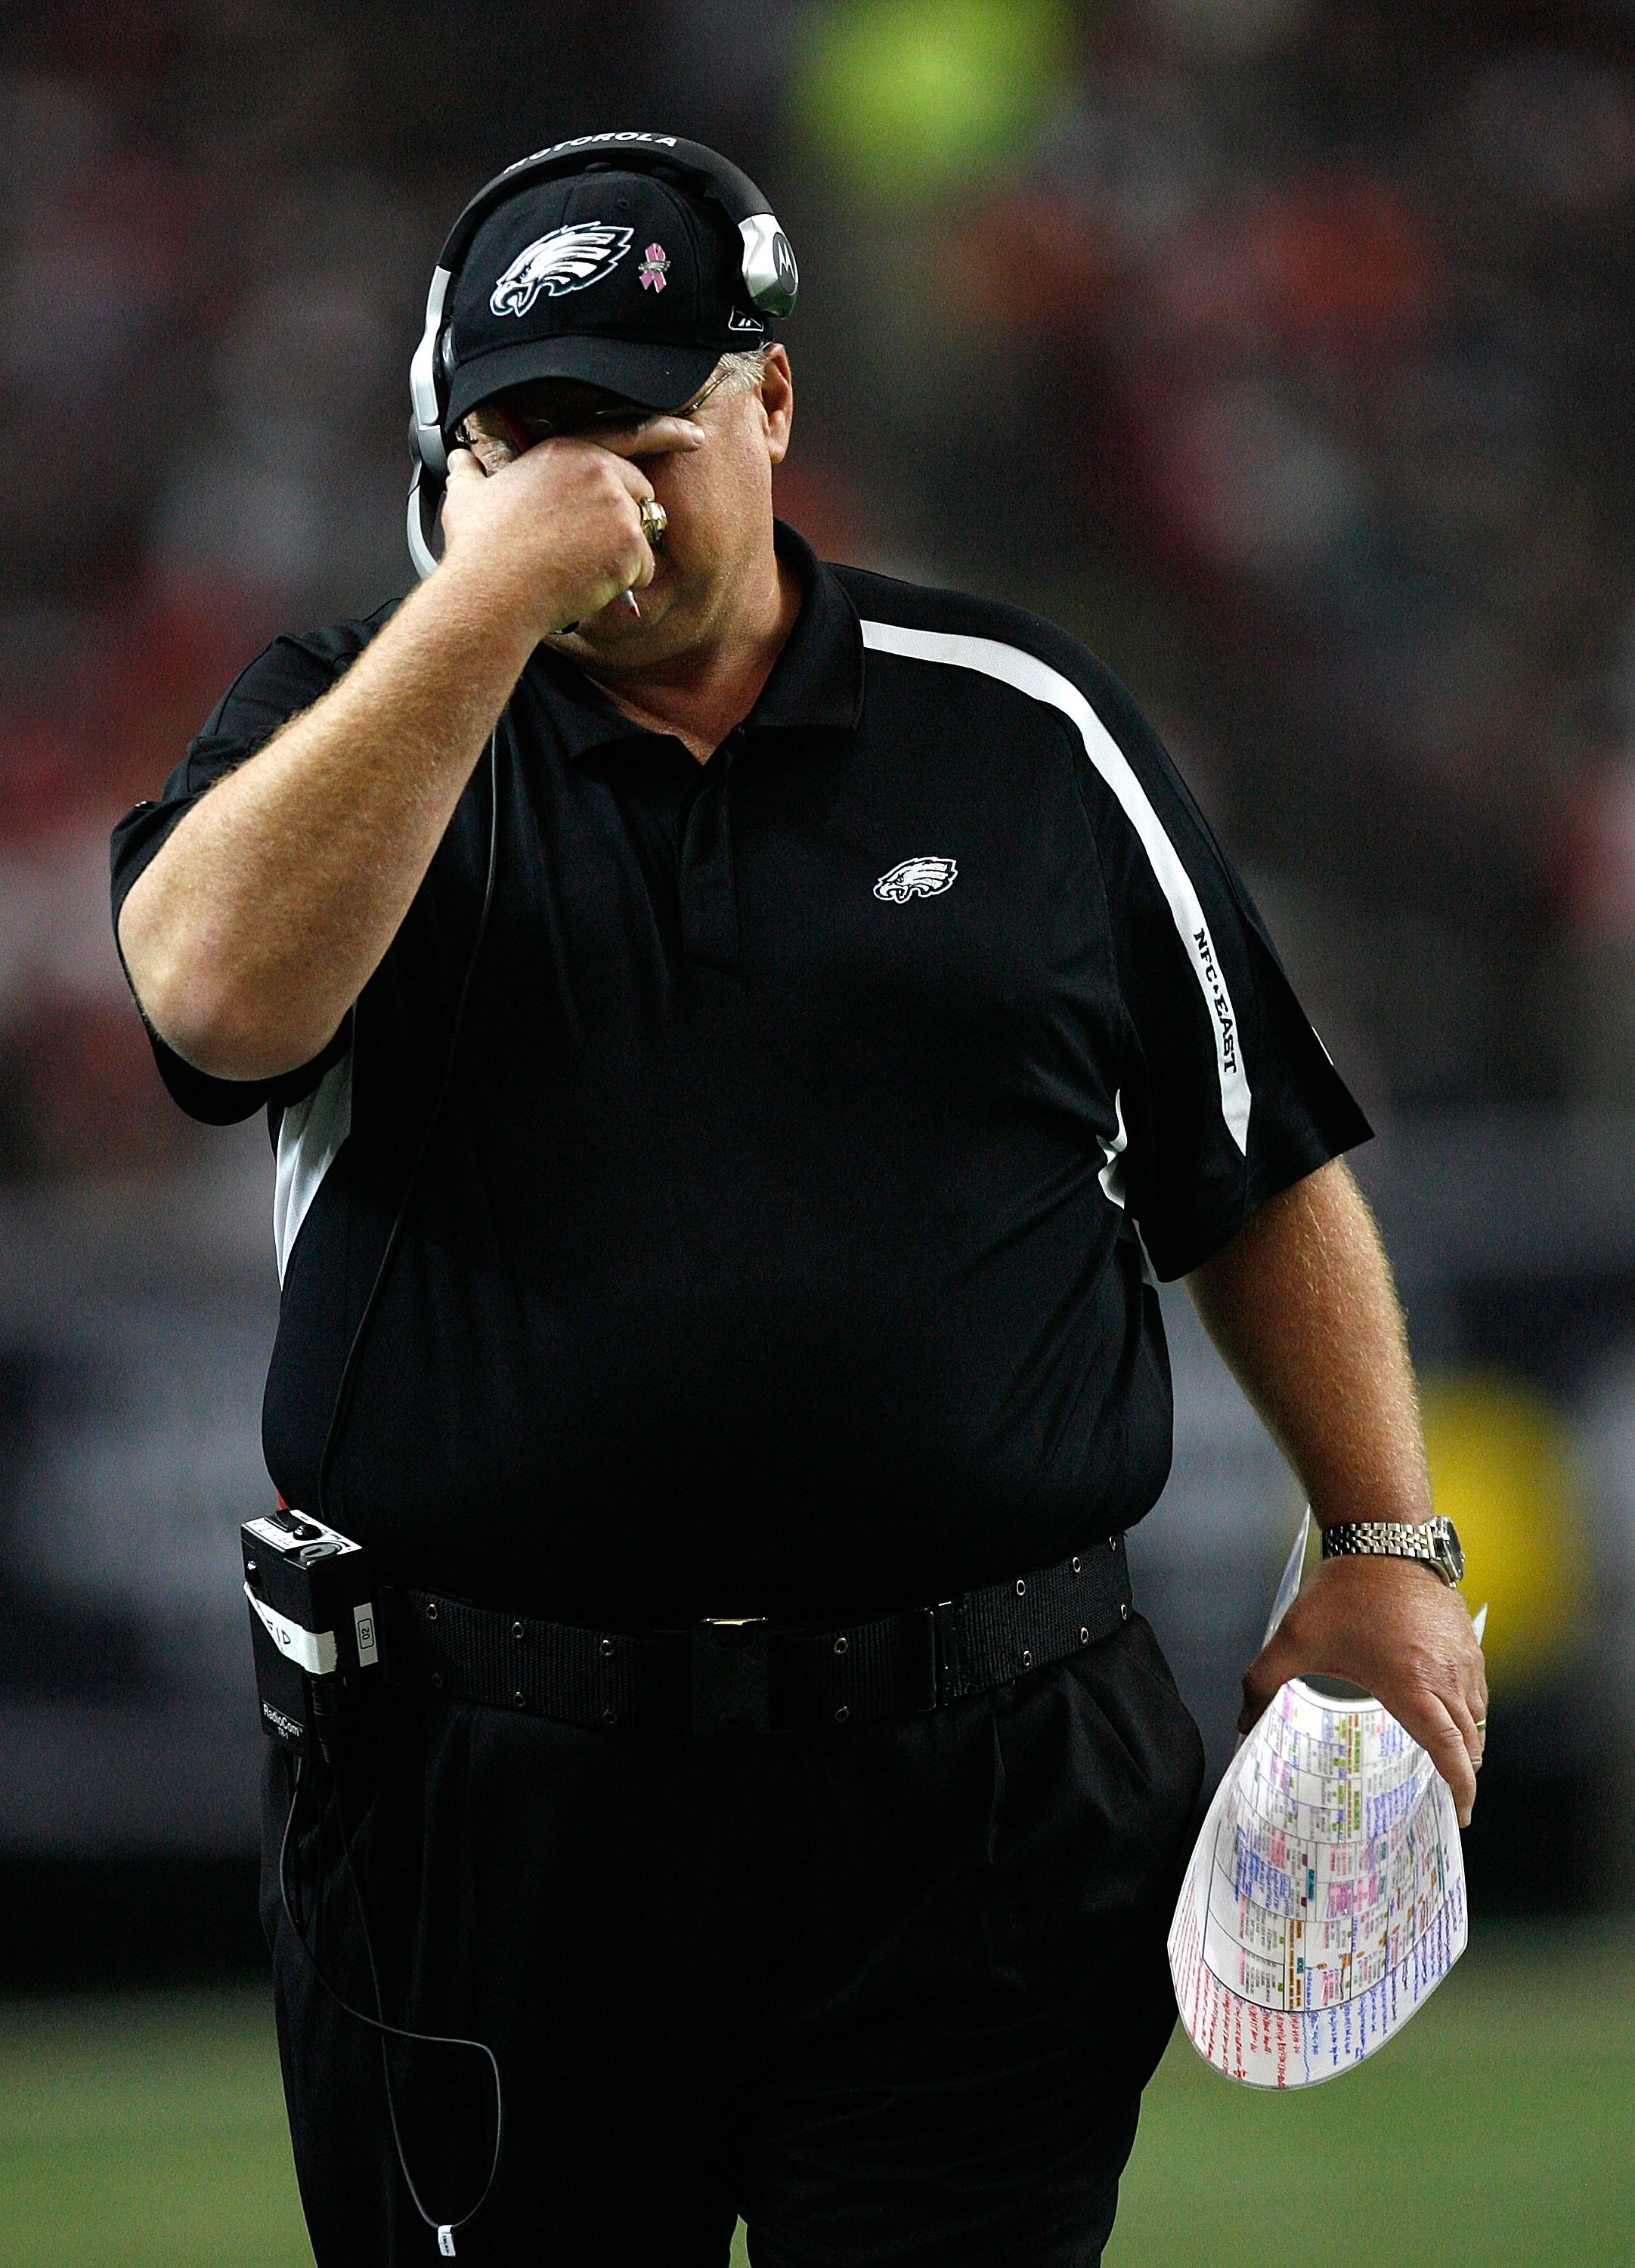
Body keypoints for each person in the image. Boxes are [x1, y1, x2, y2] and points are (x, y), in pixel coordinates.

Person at [111, 135, 1487, 2268]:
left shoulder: (1019, 729)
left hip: (982, 1785)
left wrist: (1385, 1545)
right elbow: (206, 1006)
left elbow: (1254, 1162)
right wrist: (478, 601)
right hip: (494, 1793)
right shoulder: (345, 727)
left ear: (770, 406)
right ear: (448, 466)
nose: (605, 498)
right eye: (525, 439)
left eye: (644, 433)